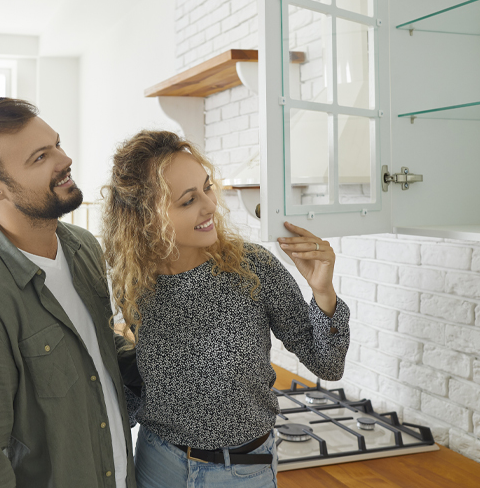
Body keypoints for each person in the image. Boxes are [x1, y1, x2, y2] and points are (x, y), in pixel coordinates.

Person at [101, 130, 351, 488]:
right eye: (188, 201)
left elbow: (329, 365)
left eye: (207, 188)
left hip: (244, 471)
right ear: (146, 218)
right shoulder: (132, 282)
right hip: (159, 464)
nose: (209, 206)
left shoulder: (252, 267)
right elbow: (136, 381)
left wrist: (323, 290)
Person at [0, 97, 136, 487]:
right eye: (40, 157)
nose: (64, 160)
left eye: (56, 144)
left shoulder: (82, 247)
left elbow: (94, 349)